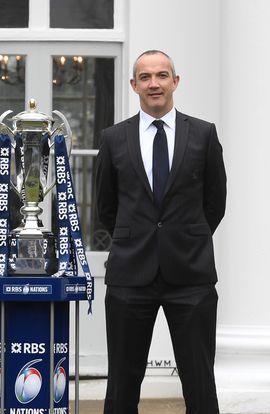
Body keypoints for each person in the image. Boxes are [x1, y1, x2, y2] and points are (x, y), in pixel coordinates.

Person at [94, 50, 227, 414]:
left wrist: (186, 238)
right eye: (146, 77)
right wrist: (137, 237)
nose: (155, 83)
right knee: (122, 383)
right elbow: (106, 207)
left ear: (175, 82)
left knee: (200, 382)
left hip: (191, 276)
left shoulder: (203, 134)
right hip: (130, 276)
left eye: (162, 75)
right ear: (134, 85)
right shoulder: (113, 138)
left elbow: (215, 203)